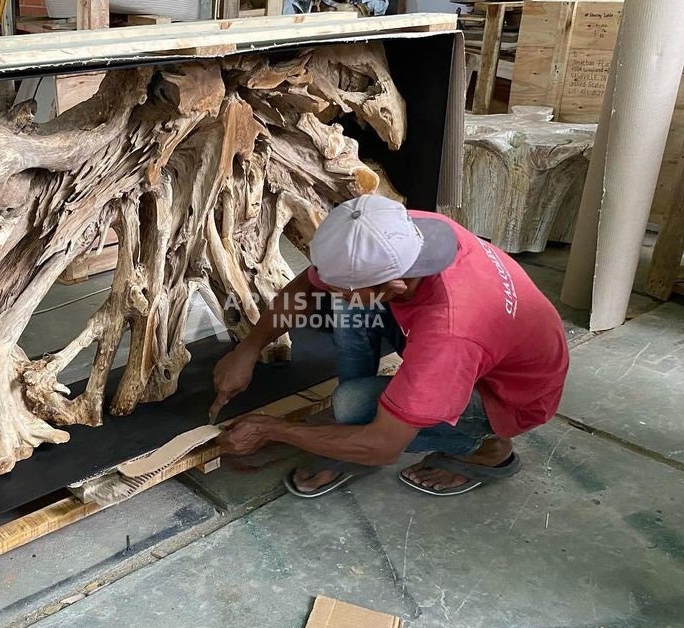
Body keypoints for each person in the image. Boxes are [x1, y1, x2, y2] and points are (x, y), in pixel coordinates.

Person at [211, 194, 569, 497]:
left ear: (395, 289)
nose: (328, 289)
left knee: (354, 406)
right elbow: (312, 283)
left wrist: (273, 429)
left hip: (508, 397)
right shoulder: (404, 233)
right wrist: (248, 349)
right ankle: (352, 427)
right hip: (483, 350)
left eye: (342, 285)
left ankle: (487, 449)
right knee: (347, 304)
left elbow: (383, 447)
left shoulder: (450, 334)